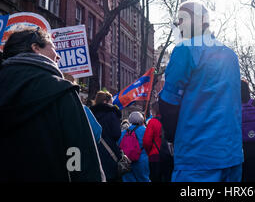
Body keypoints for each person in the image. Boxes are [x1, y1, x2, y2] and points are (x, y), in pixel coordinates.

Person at [0, 27, 105, 181]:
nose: (58, 56)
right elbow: (76, 150)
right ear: (35, 48)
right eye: (53, 48)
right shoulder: (62, 91)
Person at [158, 1, 243, 182]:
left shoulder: (184, 49)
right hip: (231, 154)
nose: (178, 25)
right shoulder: (230, 55)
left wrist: (171, 137)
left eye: (181, 19)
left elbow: (168, 102)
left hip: (197, 155)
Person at [91, 90, 122, 182]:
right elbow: (117, 134)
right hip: (109, 152)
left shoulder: (90, 113)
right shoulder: (112, 114)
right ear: (105, 101)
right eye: (111, 101)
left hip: (94, 151)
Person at [143, 101, 171, 182]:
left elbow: (146, 141)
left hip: (155, 156)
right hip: (168, 155)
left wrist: (150, 152)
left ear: (154, 110)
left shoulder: (152, 122)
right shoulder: (169, 121)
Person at [119, 111, 150, 182]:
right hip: (142, 160)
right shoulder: (145, 130)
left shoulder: (124, 132)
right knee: (144, 179)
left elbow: (119, 144)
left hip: (127, 161)